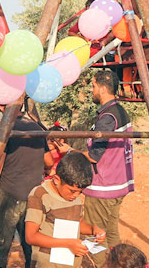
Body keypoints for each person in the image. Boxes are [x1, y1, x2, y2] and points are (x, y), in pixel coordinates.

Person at [0, 97, 48, 268]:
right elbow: (48, 161)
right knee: (31, 244)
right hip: (32, 195)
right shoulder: (36, 127)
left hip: (9, 194)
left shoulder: (5, 129)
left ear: (0, 105)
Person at [81, 70, 134, 267]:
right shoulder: (119, 111)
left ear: (102, 88)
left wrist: (69, 152)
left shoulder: (107, 117)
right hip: (118, 185)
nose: (92, 91)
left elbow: (95, 156)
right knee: (111, 235)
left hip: (102, 188)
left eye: (93, 87)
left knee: (95, 238)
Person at [24, 152, 106, 268]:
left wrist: (93, 230)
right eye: (72, 191)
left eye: (80, 192)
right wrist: (68, 244)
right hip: (47, 264)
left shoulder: (74, 196)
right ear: (57, 179)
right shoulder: (40, 195)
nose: (76, 195)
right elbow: (31, 236)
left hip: (72, 263)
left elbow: (77, 222)